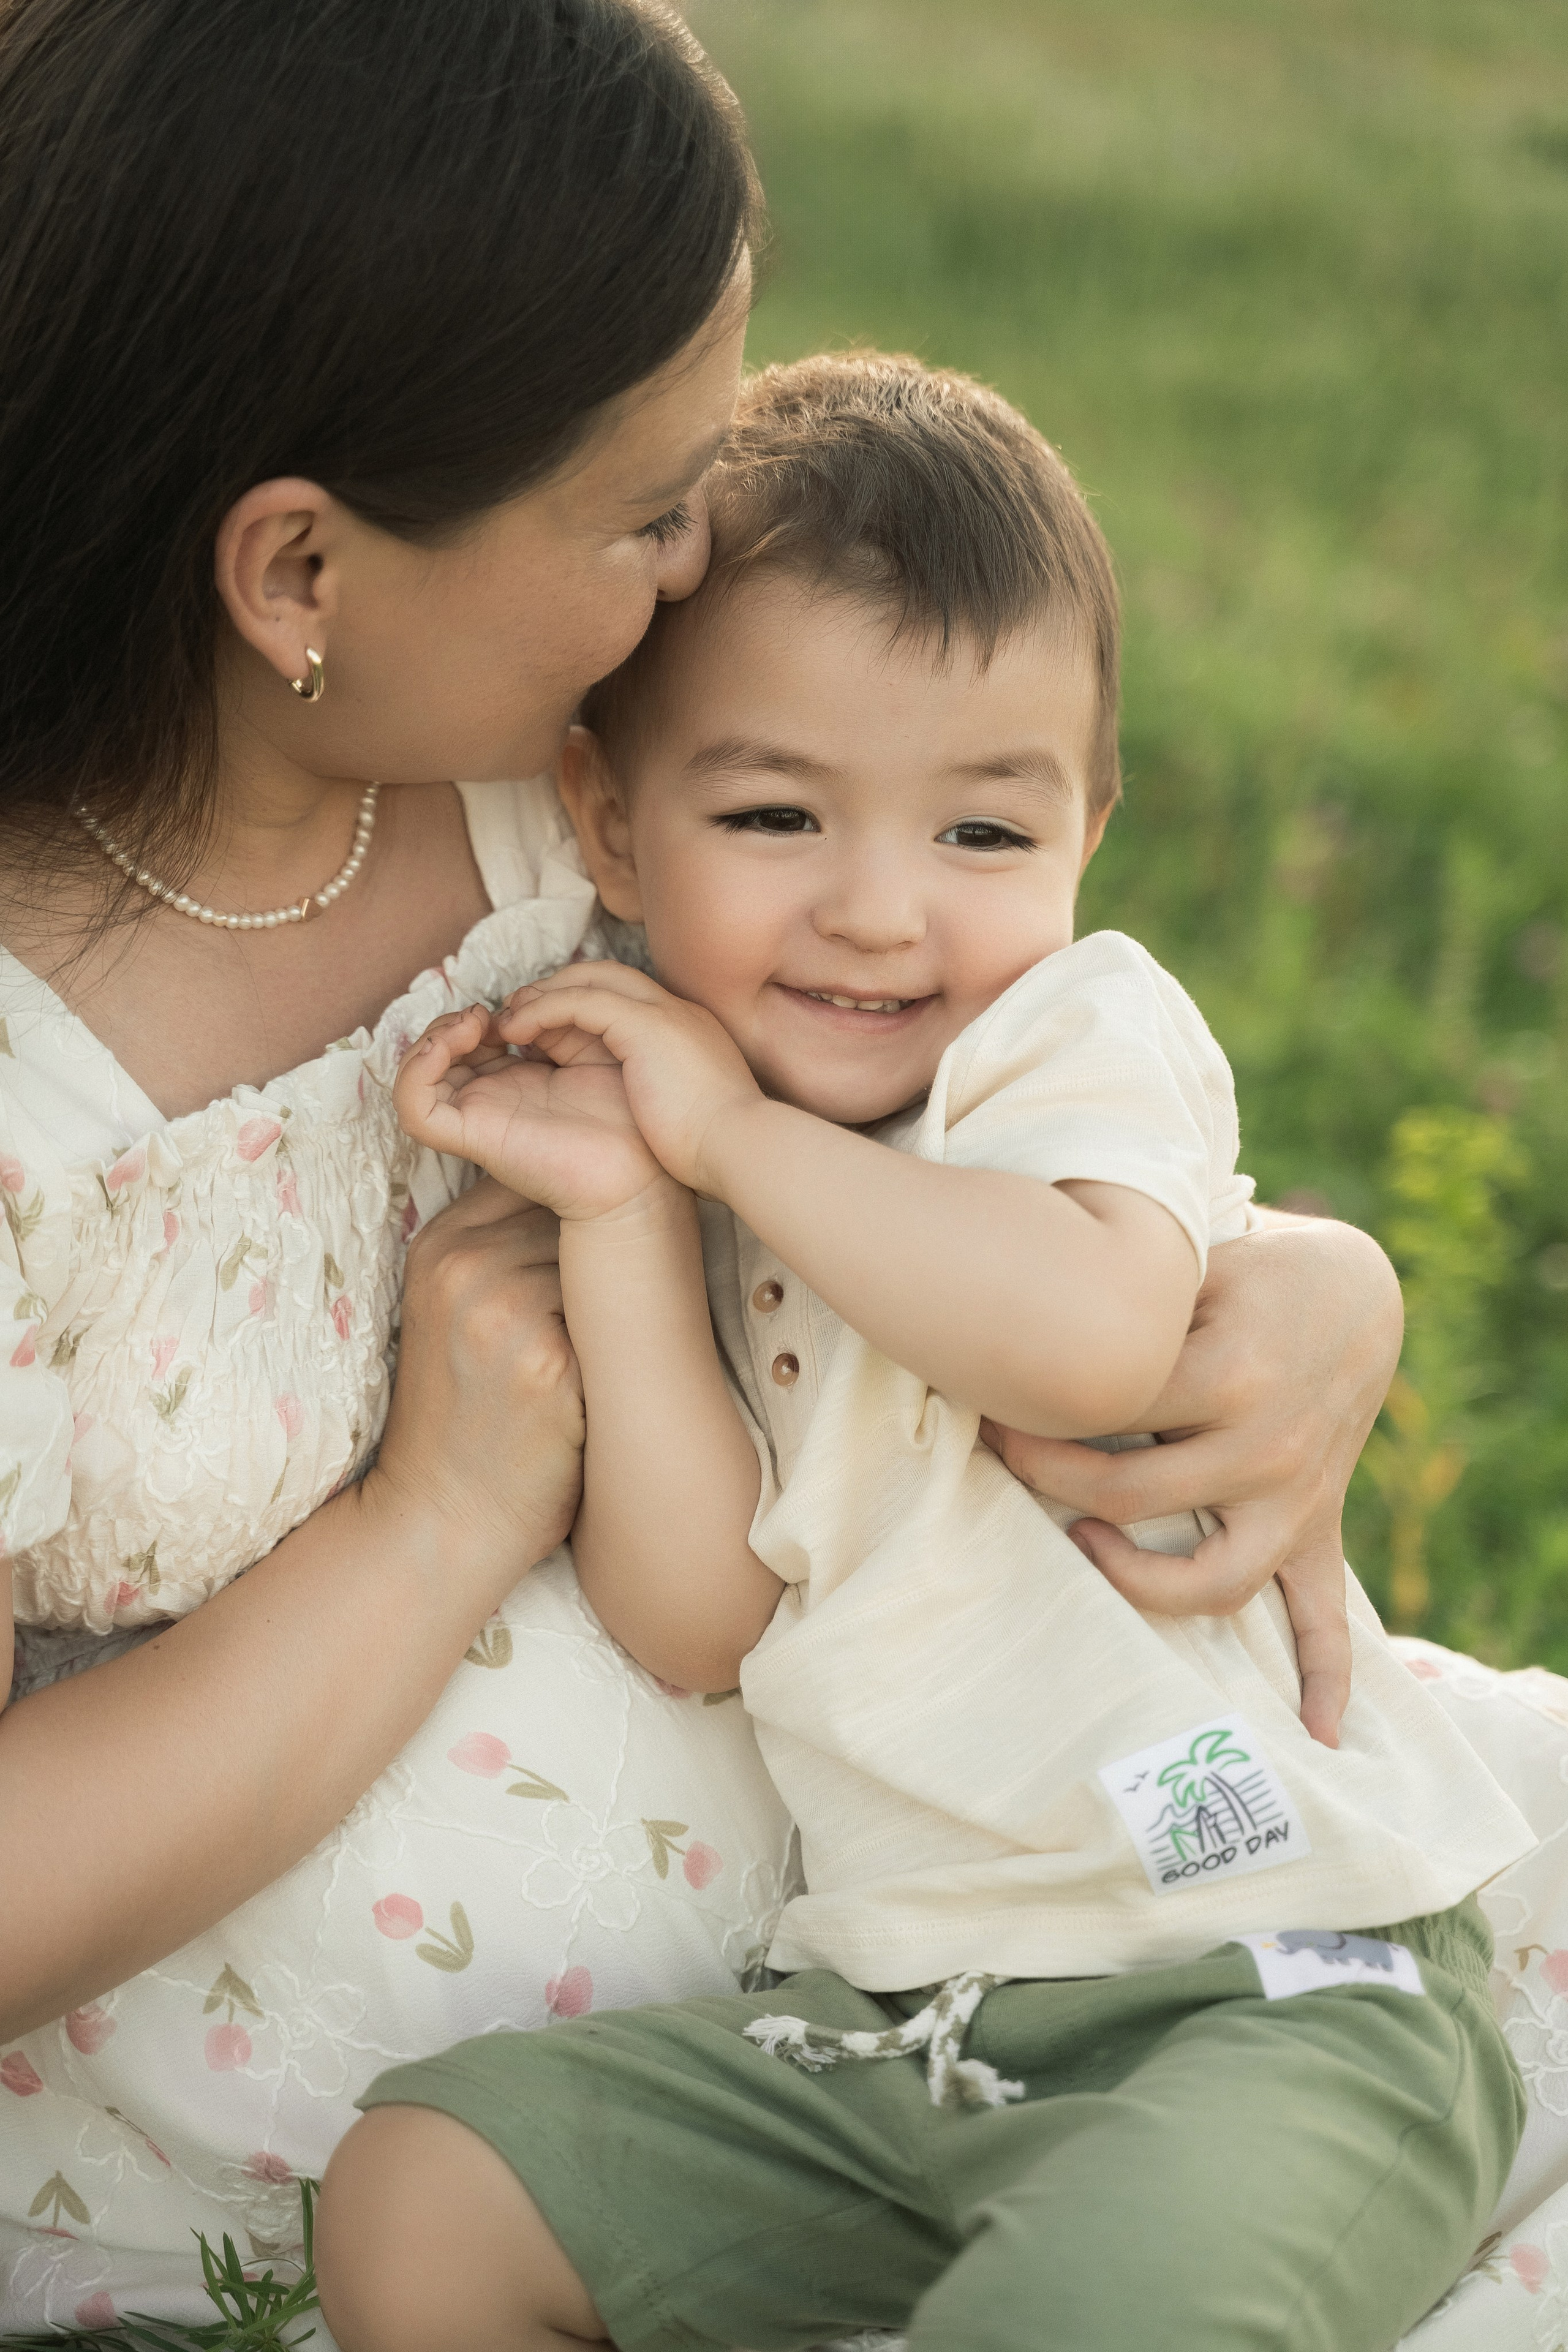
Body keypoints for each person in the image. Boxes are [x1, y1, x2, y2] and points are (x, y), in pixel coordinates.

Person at [0, 0, 1404, 2331]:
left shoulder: (570, 803)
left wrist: (1303, 1297)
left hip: (1008, 1939)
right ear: (297, 574)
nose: (699, 573)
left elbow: (979, 1088)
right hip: (470, 2166)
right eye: (649, 513)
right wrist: (436, 1519)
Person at [330, 355, 1533, 2352]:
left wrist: (722, 1138)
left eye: (985, 832)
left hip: (1269, 1992)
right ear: (611, 824)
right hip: (897, 2038)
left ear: (1093, 829)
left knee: (1099, 2307)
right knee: (426, 2190)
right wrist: (633, 1216)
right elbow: (705, 1613)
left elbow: (1080, 1339)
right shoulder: (721, 1172)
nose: (884, 914)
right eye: (779, 812)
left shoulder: (1072, 1048)